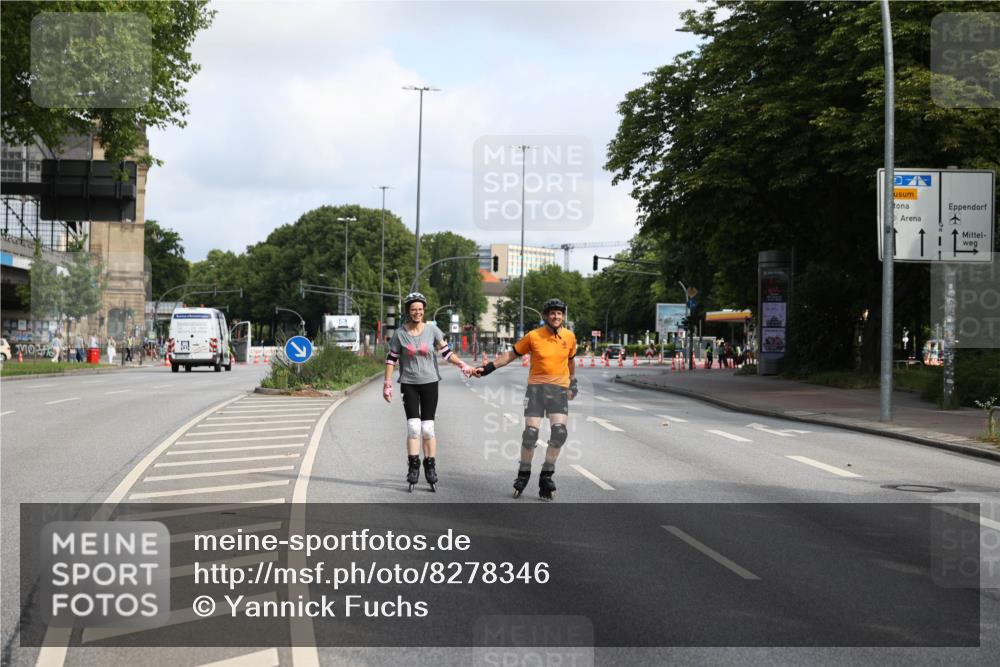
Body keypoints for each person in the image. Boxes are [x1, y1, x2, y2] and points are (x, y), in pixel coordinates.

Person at [473, 298, 577, 500]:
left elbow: (570, 362)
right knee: (530, 434)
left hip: (559, 391)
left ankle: (547, 475)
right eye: (552, 313)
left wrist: (573, 383)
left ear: (563, 316)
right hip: (536, 390)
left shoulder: (570, 337)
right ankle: (523, 473)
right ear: (546, 316)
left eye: (559, 313)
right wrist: (486, 369)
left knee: (559, 433)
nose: (556, 316)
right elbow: (510, 355)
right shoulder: (533, 336)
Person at [383, 292, 475, 492]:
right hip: (408, 382)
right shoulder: (400, 333)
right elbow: (391, 359)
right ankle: (413, 466)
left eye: (420, 309)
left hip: (430, 382)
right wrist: (387, 383)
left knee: (428, 428)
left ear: (424, 311)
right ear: (408, 311)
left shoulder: (432, 330)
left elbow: (446, 353)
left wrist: (463, 365)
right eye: (413, 309)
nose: (417, 312)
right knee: (414, 427)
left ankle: (430, 467)